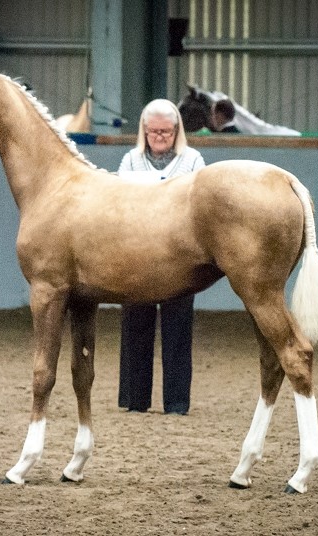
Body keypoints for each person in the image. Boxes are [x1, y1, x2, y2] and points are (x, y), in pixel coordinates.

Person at [117, 99, 205, 415]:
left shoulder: (193, 161)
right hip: (137, 256)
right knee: (135, 325)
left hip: (179, 257)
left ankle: (177, 402)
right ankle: (135, 399)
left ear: (176, 130)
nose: (159, 137)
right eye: (153, 131)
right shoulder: (130, 161)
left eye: (166, 131)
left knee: (178, 328)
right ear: (144, 130)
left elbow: (201, 209)